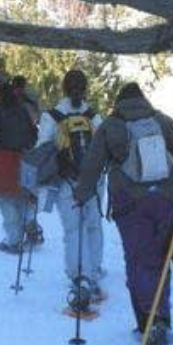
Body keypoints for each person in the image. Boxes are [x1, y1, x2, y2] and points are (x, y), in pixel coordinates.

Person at [74, 83, 173, 345]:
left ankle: (151, 325)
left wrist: (82, 194)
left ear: (119, 102)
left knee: (139, 261)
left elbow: (92, 165)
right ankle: (160, 321)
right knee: (162, 258)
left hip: (130, 202)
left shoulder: (111, 126)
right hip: (166, 198)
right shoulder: (162, 120)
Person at [38, 69, 105, 309]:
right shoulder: (93, 115)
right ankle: (94, 272)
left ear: (63, 89)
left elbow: (43, 149)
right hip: (93, 180)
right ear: (85, 89)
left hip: (66, 180)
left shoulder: (53, 116)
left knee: (73, 229)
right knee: (93, 225)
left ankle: (80, 277)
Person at [0, 79, 38, 254]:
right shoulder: (24, 111)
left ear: (0, 96)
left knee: (6, 199)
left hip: (3, 159)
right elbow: (34, 136)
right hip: (25, 158)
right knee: (23, 196)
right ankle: (31, 225)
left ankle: (14, 241)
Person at [11, 75, 45, 246]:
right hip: (30, 150)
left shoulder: (14, 102)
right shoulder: (31, 102)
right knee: (28, 191)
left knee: (23, 191)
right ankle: (32, 228)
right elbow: (38, 120)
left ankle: (28, 228)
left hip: (20, 152)